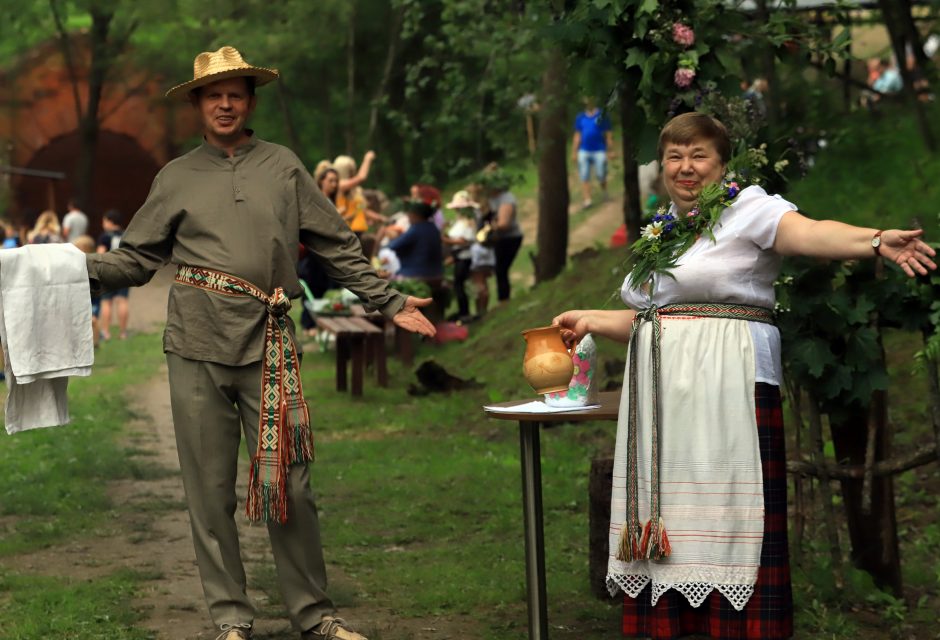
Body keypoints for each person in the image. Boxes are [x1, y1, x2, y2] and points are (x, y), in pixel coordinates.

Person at [85, 46, 435, 640]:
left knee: (290, 480)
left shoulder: (283, 166)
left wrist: (391, 301)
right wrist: (68, 269)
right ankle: (230, 619)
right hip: (195, 344)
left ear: (250, 101)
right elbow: (137, 259)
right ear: (197, 103)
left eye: (237, 93)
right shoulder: (175, 177)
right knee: (209, 487)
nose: (226, 103)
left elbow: (335, 243)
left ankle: (315, 614)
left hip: (270, 343)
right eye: (214, 94)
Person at [552, 112, 935, 640]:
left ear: (722, 163)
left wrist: (873, 241)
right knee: (676, 526)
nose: (686, 168)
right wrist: (591, 318)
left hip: (729, 389)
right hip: (665, 404)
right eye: (674, 157)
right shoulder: (663, 230)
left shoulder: (747, 207)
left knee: (730, 515)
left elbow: (810, 233)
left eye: (699, 155)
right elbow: (659, 318)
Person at [480, 165, 523, 303]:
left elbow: (504, 224)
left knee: (501, 269)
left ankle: (504, 300)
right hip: (500, 239)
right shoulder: (490, 198)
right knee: (499, 270)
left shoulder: (506, 198)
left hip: (510, 238)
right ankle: (503, 300)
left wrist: (490, 227)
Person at [386, 185, 444, 281]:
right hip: (437, 273)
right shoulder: (433, 227)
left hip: (416, 274)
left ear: (416, 214)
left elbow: (394, 246)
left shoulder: (416, 229)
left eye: (409, 213)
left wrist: (392, 236)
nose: (408, 216)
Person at [571, 96, 614, 209]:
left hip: (599, 149)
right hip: (584, 150)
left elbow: (608, 133)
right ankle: (587, 199)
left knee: (601, 174)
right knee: (584, 175)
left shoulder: (601, 115)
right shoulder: (580, 117)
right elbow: (577, 135)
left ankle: (604, 192)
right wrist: (574, 151)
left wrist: (610, 150)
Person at [442, 190, 479, 321]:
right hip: (458, 256)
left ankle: (465, 313)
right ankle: (463, 311)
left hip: (464, 256)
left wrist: (446, 240)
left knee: (459, 284)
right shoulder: (459, 222)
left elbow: (464, 240)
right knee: (458, 285)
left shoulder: (468, 222)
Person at [333, 153, 386, 239]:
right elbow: (361, 177)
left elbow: (361, 210)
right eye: (350, 170)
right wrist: (367, 159)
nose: (353, 172)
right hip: (348, 232)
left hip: (360, 231)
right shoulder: (341, 185)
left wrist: (379, 218)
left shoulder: (355, 191)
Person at [96, 209, 130, 340]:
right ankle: (123, 333)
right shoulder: (127, 234)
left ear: (110, 222)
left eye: (104, 221)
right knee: (123, 301)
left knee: (106, 302)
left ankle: (106, 332)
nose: (103, 224)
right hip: (124, 271)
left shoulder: (105, 236)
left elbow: (100, 254)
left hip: (108, 271)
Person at [72, 234, 100, 348]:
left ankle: (95, 342)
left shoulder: (91, 265)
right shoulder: (75, 264)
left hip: (92, 298)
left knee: (93, 320)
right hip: (81, 298)